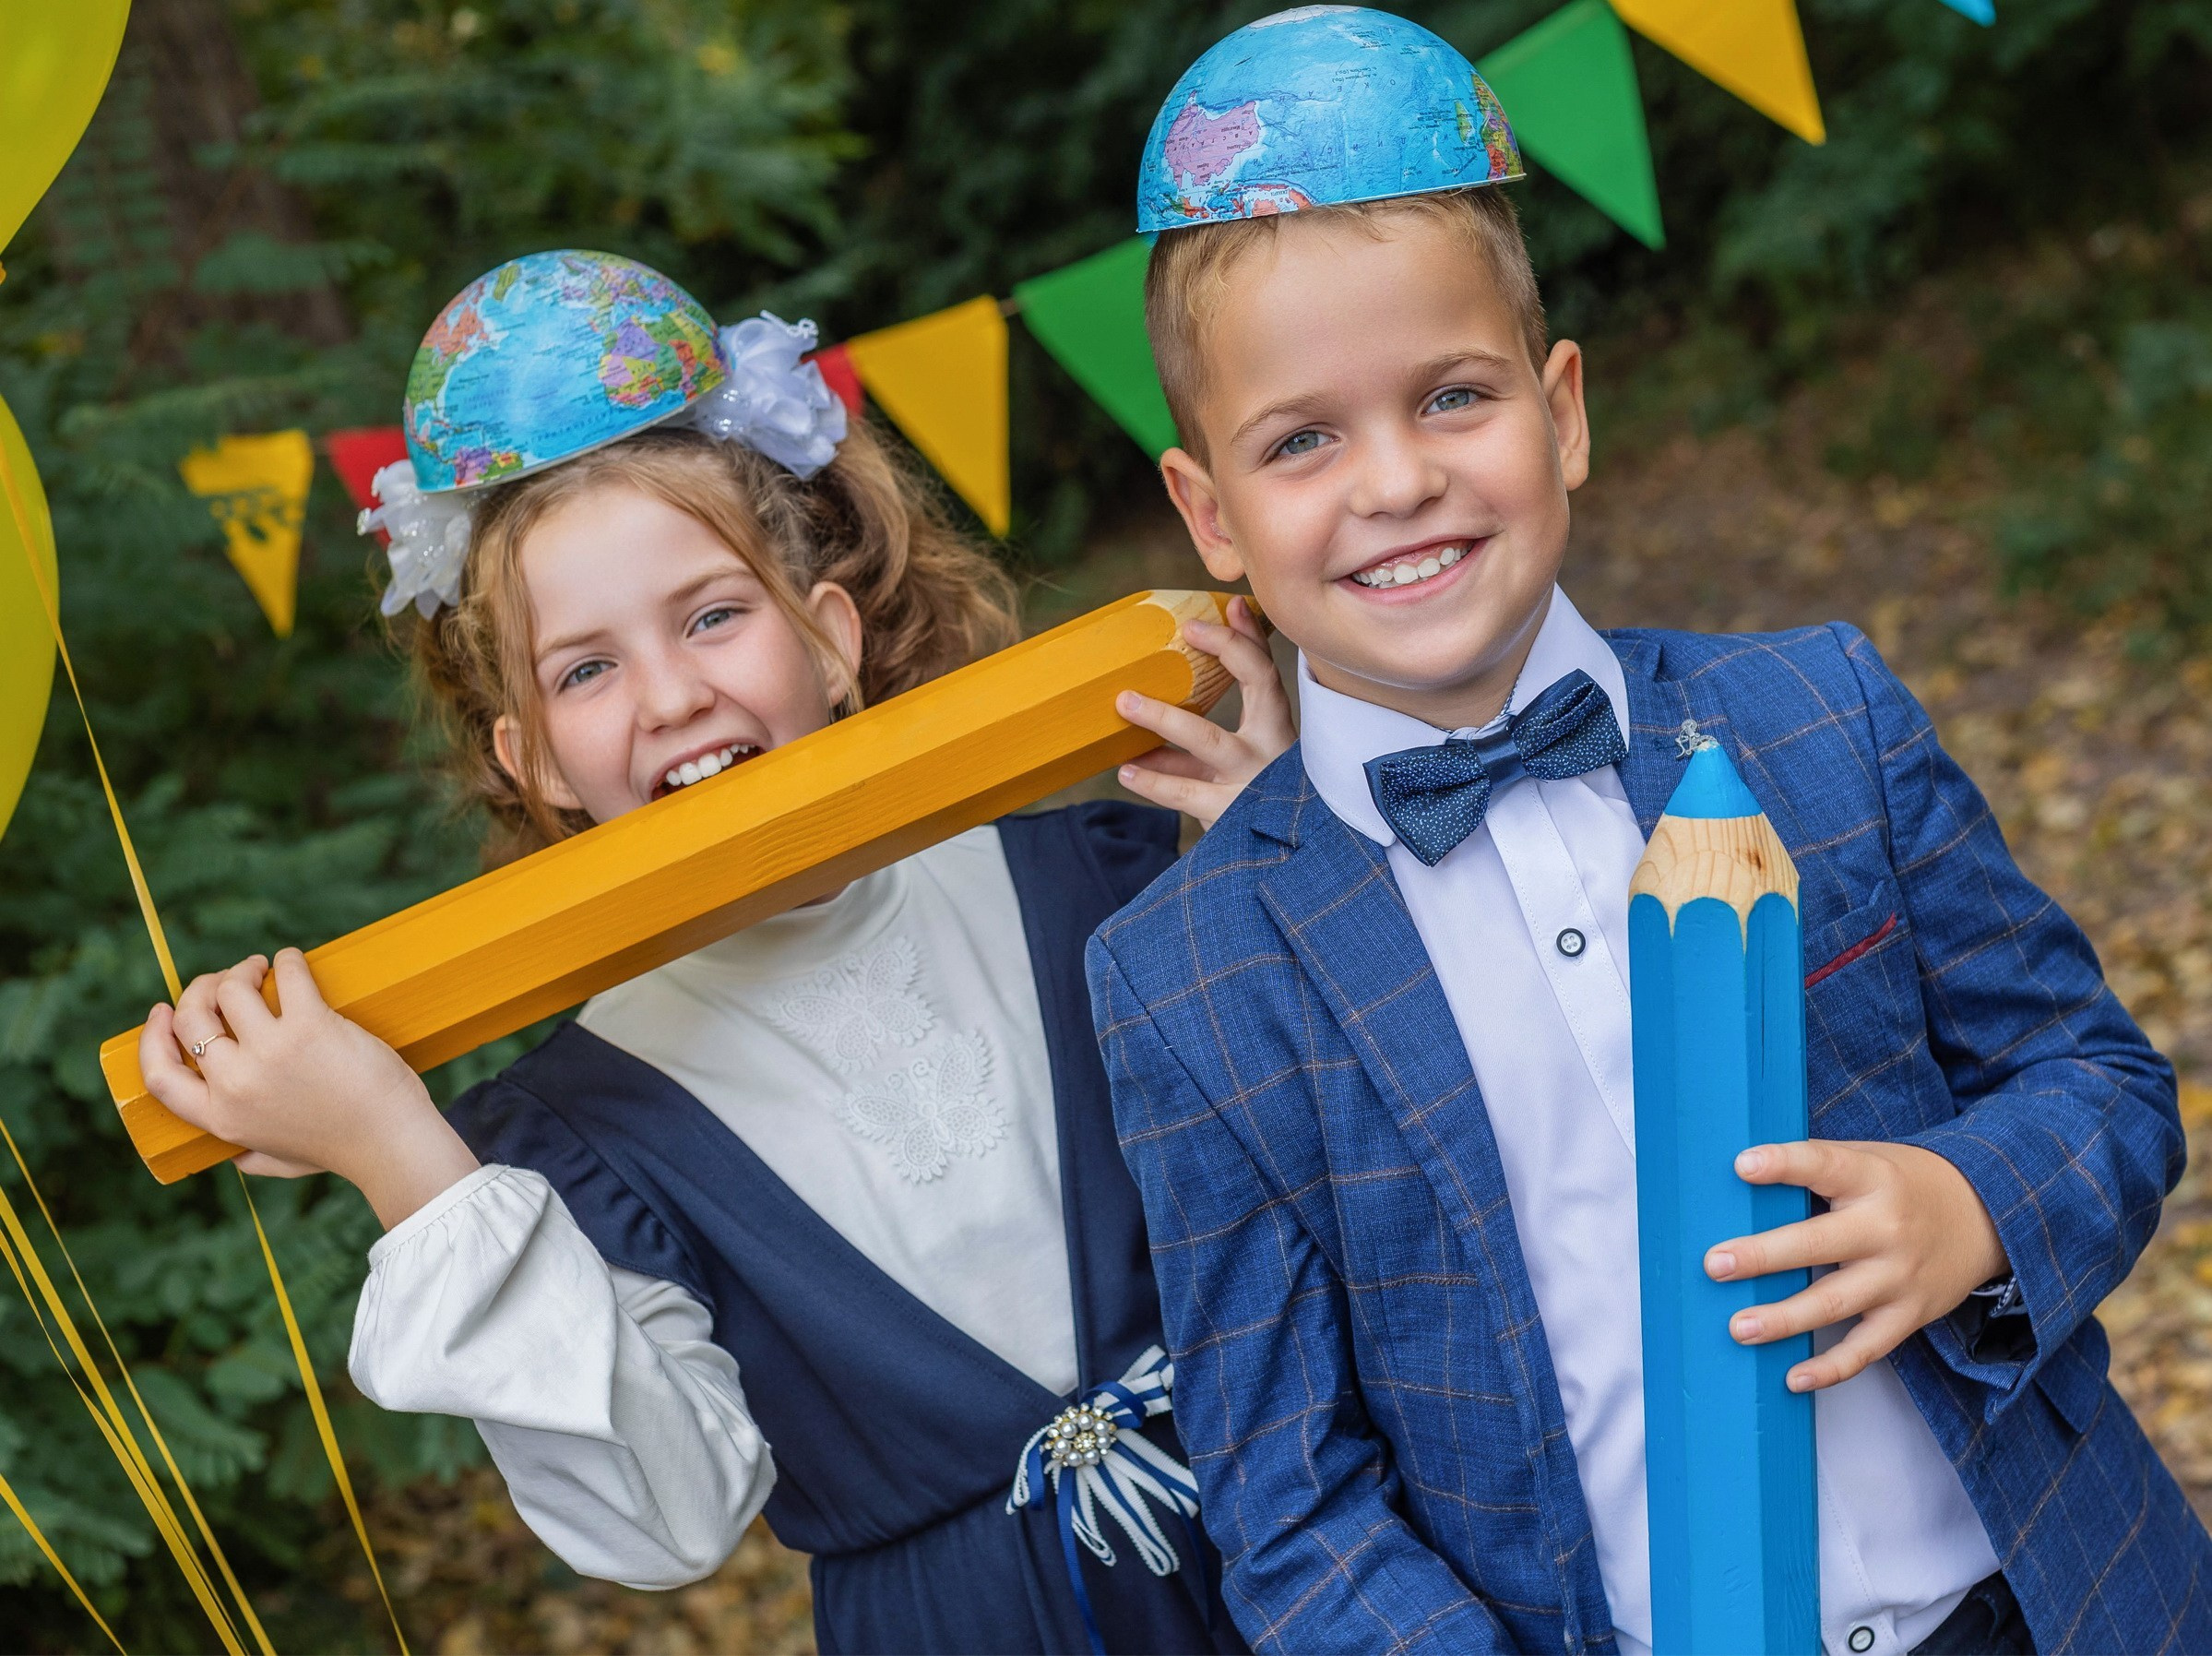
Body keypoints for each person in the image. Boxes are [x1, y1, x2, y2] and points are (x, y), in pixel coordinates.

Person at [1089, 11, 2212, 1656]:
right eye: (1302, 440)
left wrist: (1972, 1204)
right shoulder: (1186, 979)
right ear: (1210, 516)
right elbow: (1295, 1511)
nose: (1394, 480)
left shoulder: (1821, 718)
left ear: (1563, 414)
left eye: (1452, 396)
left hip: (2062, 1605)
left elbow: (2099, 1085)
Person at [137, 250, 1284, 1655]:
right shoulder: (579, 1133)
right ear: (534, 759)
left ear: (832, 638)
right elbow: (664, 1523)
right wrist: (403, 1161)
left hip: (1297, 1529)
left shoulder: (1106, 874)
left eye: (712, 616)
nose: (674, 696)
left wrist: (1275, 866)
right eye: (586, 669)